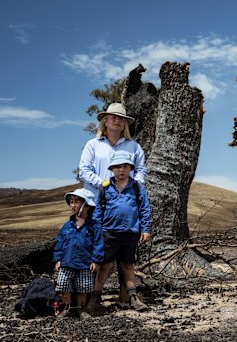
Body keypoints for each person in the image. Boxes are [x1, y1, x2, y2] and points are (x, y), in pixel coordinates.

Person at [78, 102, 147, 308]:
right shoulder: (93, 145)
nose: (116, 120)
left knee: (125, 255)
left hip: (126, 206)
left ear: (125, 122)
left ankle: (126, 295)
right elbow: (84, 170)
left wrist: (133, 186)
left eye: (120, 118)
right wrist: (104, 186)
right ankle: (86, 295)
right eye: (112, 117)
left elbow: (142, 170)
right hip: (94, 203)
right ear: (105, 121)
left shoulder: (133, 147)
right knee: (96, 251)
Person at [87, 151, 151, 313]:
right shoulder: (105, 187)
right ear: (112, 169)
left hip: (130, 232)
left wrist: (145, 229)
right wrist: (96, 231)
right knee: (105, 265)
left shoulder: (136, 187)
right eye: (117, 167)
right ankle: (95, 298)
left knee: (128, 265)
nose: (121, 170)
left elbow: (144, 209)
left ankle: (133, 297)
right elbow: (98, 212)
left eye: (124, 166)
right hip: (109, 232)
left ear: (130, 168)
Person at [53, 188, 104, 319]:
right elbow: (59, 243)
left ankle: (80, 309)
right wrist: (57, 259)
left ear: (86, 205)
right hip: (67, 261)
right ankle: (68, 307)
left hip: (85, 263)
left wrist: (96, 260)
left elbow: (99, 244)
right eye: (71, 202)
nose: (72, 205)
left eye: (76, 202)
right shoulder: (67, 226)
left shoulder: (94, 226)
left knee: (84, 287)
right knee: (63, 284)